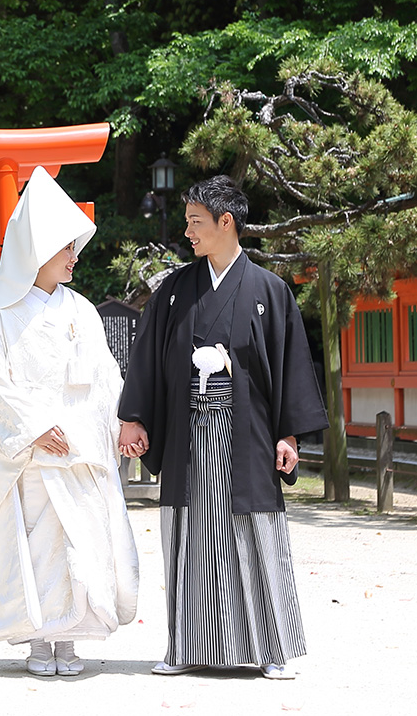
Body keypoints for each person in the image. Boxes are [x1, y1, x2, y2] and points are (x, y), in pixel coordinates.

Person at [116, 175, 328, 680]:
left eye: (195, 222)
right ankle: (184, 646)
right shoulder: (173, 291)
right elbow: (147, 357)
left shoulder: (270, 292)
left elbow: (292, 365)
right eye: (188, 221)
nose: (188, 232)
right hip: (189, 436)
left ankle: (272, 649)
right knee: (189, 537)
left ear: (225, 222)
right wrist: (134, 418)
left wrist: (289, 434)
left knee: (255, 533)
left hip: (248, 437)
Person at [0, 166, 139, 677]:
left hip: (80, 447)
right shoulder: (3, 318)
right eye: (65, 247)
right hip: (36, 453)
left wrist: (121, 423)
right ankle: (40, 642)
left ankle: (70, 640)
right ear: (38, 251)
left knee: (81, 547)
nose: (74, 256)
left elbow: (107, 376)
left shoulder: (84, 311)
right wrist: (35, 426)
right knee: (38, 548)